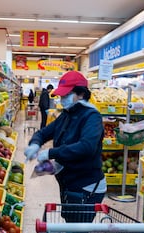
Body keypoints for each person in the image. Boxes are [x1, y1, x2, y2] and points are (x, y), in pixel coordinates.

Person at [24, 71, 106, 223]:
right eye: (61, 96)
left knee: (77, 226)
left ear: (81, 94)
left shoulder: (92, 117)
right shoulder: (67, 114)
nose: (62, 99)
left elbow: (86, 147)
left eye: (66, 95)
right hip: (70, 182)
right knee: (71, 223)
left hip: (86, 185)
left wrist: (51, 152)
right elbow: (44, 132)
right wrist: (35, 144)